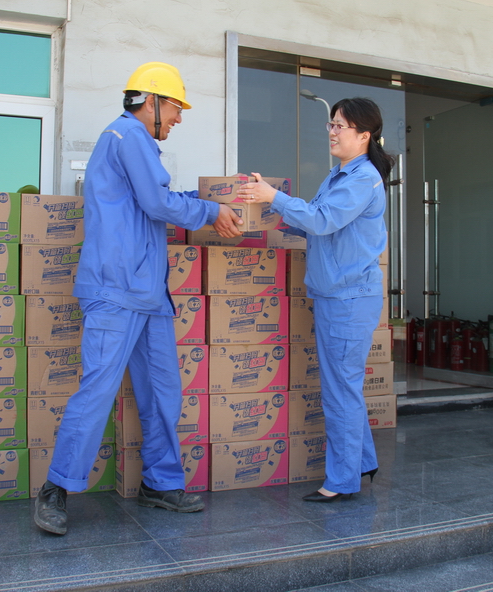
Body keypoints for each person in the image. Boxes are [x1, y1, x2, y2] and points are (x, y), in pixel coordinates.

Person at [34, 62, 242, 535]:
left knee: (164, 393)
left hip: (148, 293)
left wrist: (214, 199)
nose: (179, 118)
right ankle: (55, 489)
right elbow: (158, 203)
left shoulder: (139, 143)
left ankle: (160, 483)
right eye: (176, 107)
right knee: (97, 391)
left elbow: (157, 198)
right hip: (116, 289)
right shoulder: (127, 136)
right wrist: (212, 210)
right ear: (150, 102)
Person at [239, 97, 393, 502]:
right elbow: (318, 223)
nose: (332, 132)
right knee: (344, 387)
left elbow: (322, 220)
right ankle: (361, 462)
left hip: (348, 298)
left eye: (341, 126)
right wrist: (267, 215)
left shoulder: (361, 178)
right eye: (331, 124)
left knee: (340, 391)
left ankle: (341, 482)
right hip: (334, 294)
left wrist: (274, 197)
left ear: (364, 135)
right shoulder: (339, 175)